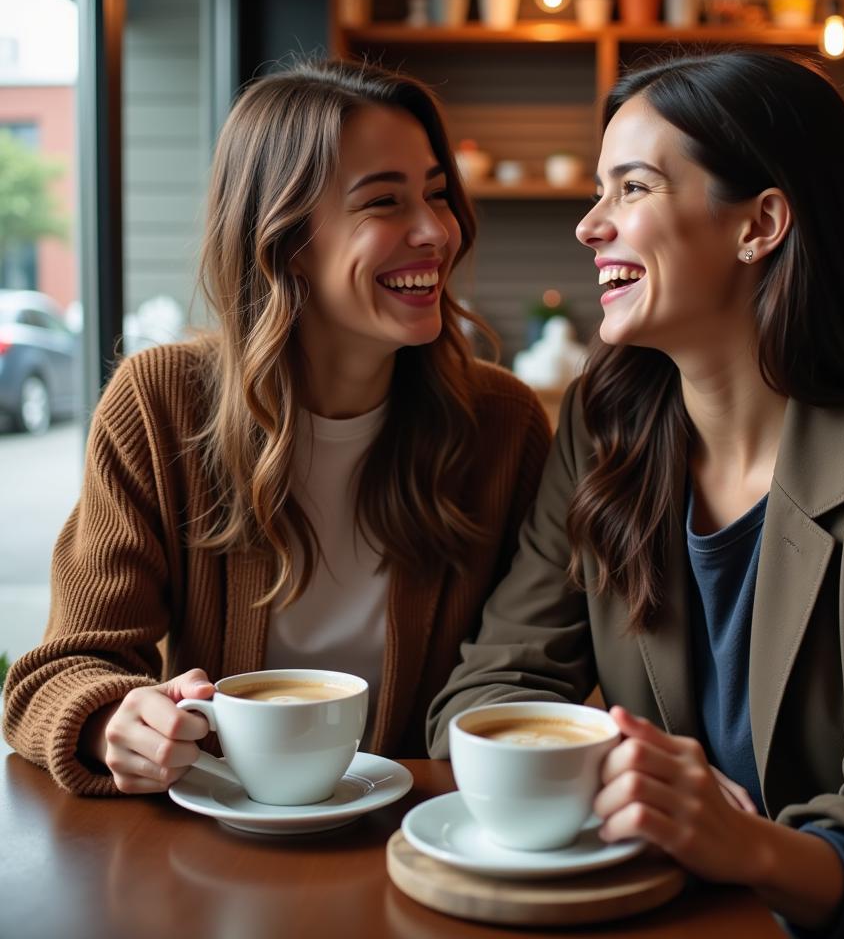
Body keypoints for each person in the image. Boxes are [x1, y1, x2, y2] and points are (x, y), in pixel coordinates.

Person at [427, 51, 844, 938]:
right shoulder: (606, 425)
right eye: (600, 191)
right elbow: (491, 688)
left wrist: (736, 841)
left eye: (632, 188)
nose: (591, 225)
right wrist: (609, 778)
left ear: (761, 224)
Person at [1, 59, 551, 797]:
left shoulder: (501, 424)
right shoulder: (160, 405)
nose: (437, 231)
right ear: (286, 238)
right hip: (220, 847)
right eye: (385, 201)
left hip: (422, 837)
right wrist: (114, 723)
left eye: (438, 194)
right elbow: (54, 676)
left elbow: (532, 672)